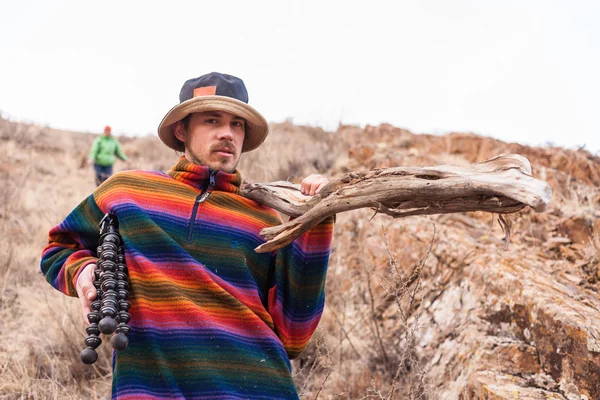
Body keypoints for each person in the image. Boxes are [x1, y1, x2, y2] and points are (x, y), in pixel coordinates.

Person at [41, 72, 334, 399]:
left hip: (259, 388)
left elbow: (294, 336)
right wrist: (82, 273)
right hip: (151, 389)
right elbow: (58, 248)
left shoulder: (263, 217)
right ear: (182, 129)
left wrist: (316, 219)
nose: (227, 133)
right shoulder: (127, 193)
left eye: (237, 124)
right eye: (212, 120)